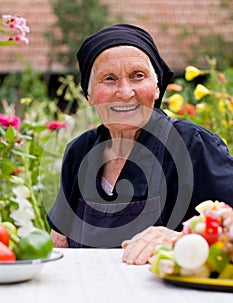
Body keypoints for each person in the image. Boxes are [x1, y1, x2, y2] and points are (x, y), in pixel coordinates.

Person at [47, 24, 233, 265]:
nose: (125, 92)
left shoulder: (193, 145)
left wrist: (181, 239)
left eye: (138, 76)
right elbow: (59, 239)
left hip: (170, 297)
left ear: (156, 88)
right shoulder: (80, 152)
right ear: (90, 96)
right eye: (109, 79)